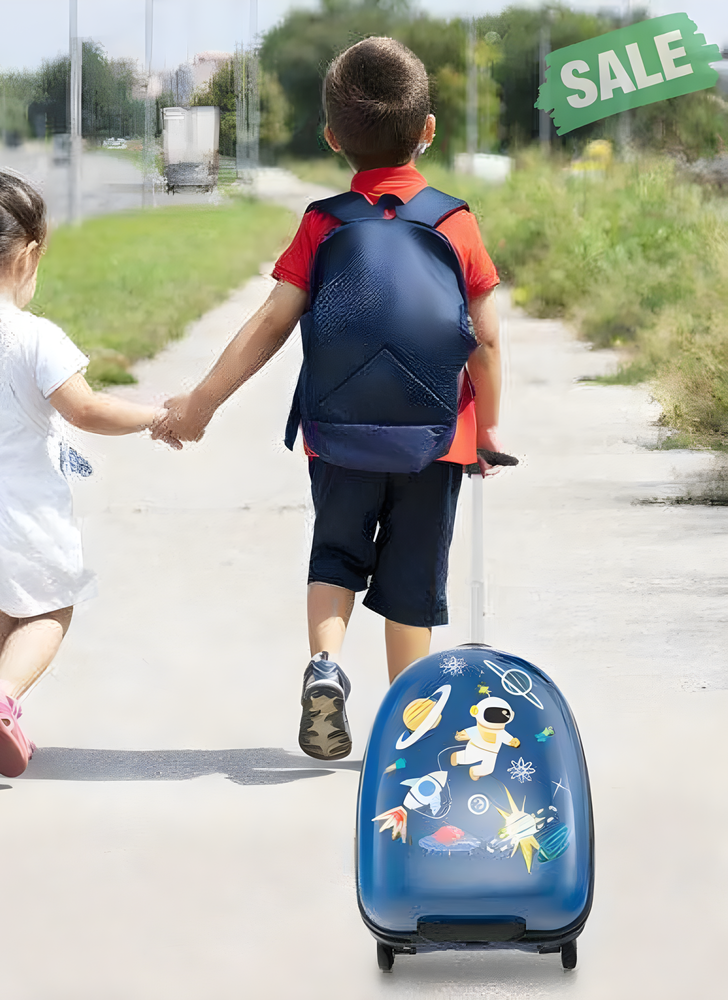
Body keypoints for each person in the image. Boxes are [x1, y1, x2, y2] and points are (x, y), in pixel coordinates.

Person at [153, 37, 504, 761]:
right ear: (428, 130)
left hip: (338, 432)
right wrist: (489, 429)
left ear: (332, 138)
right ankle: (416, 734)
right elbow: (487, 341)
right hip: (437, 439)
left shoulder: (323, 223)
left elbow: (272, 322)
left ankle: (324, 665)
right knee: (412, 586)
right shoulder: (454, 221)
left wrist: (201, 403)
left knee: (336, 556)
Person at [0, 163, 179, 778]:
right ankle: (2, 699)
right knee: (51, 609)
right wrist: (156, 416)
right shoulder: (36, 339)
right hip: (22, 507)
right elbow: (89, 410)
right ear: (28, 256)